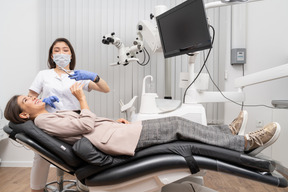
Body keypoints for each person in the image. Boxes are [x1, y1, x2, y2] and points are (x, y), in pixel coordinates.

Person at [5, 82, 281, 159]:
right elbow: (85, 126)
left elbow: (86, 126)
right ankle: (244, 143)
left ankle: (226, 131)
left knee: (176, 124)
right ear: (25, 115)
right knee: (176, 126)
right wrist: (82, 100)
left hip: (116, 132)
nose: (34, 98)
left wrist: (115, 122)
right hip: (115, 142)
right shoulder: (42, 123)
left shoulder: (48, 117)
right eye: (27, 101)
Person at [27, 37, 110, 192]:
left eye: (65, 50)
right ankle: (36, 189)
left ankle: (85, 187)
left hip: (73, 123)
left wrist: (93, 76)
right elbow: (30, 99)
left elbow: (105, 89)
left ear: (71, 55)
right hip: (50, 123)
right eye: (56, 50)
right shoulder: (44, 75)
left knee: (86, 150)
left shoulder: (78, 76)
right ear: (51, 56)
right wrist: (43, 102)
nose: (61, 53)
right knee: (40, 155)